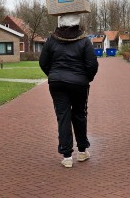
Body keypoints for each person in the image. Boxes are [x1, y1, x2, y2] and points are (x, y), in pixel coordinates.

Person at [39, 13, 99, 168]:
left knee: (63, 116)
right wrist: (86, 79)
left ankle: (66, 156)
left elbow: (43, 62)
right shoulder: (84, 41)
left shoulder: (51, 40)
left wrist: (53, 75)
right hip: (79, 83)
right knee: (79, 114)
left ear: (60, 23)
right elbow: (92, 65)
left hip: (57, 83)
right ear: (77, 23)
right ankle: (81, 151)